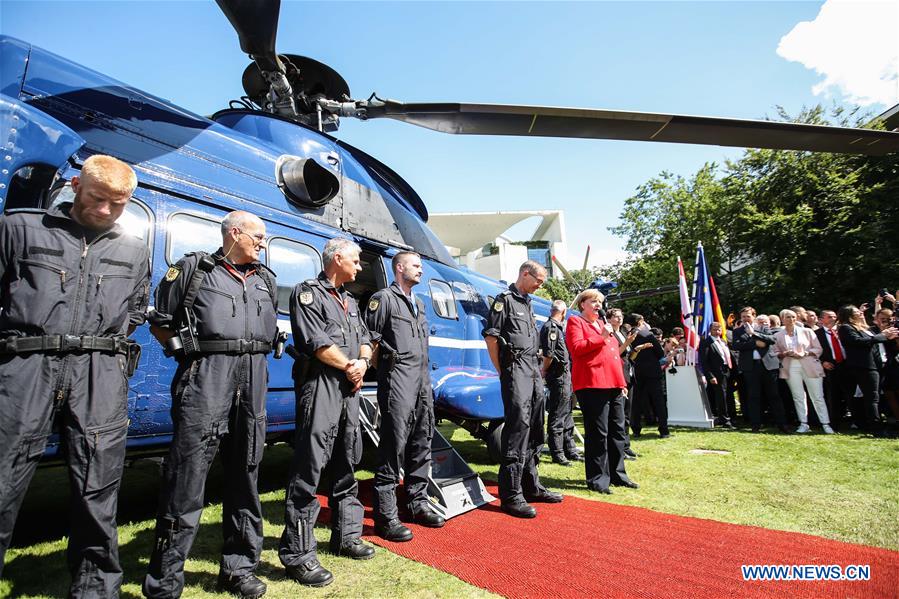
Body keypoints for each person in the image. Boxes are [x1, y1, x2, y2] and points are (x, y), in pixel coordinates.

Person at [0, 155, 149, 596]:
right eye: (97, 198)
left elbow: (134, 310)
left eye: (117, 204)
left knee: (97, 489)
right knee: (2, 481)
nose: (104, 210)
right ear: (75, 185)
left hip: (99, 373)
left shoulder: (134, 249)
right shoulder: (20, 228)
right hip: (27, 366)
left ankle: (95, 588)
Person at [143, 211, 278, 599]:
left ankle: (238, 570)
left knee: (246, 475)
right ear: (235, 233)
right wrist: (187, 355)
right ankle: (165, 581)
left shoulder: (266, 279)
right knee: (185, 479)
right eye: (258, 236)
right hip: (206, 379)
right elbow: (161, 321)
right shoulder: (195, 270)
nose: (263, 242)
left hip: (252, 379)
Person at [279, 238, 375, 587]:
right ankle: (298, 553)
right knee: (310, 466)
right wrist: (351, 366)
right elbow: (316, 343)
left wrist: (363, 362)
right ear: (337, 258)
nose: (360, 266)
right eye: (356, 260)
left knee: (347, 459)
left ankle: (346, 536)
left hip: (349, 388)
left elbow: (366, 339)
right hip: (321, 385)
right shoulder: (308, 294)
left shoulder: (350, 300)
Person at [364, 251, 445, 542]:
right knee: (393, 444)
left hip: (422, 381)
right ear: (399, 268)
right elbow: (370, 341)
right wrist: (387, 373)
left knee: (422, 440)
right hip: (398, 379)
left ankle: (416, 503)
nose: (420, 270)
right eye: (415, 265)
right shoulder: (383, 299)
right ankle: (386, 516)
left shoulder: (418, 303)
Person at [483, 261, 562, 519]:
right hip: (515, 368)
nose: (540, 285)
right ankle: (511, 495)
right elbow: (491, 337)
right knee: (517, 429)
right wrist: (502, 370)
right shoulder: (504, 300)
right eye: (538, 280)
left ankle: (531, 486)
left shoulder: (528, 303)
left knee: (536, 427)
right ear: (525, 274)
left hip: (533, 368)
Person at [566, 290, 636, 494]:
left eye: (600, 302)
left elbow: (614, 355)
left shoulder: (602, 324)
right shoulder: (576, 322)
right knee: (598, 433)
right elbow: (577, 348)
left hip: (614, 384)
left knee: (618, 431)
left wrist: (621, 382)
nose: (598, 305)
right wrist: (602, 336)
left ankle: (617, 475)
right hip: (592, 383)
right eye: (593, 301)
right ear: (582, 304)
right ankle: (598, 479)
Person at [838, 305, 898, 437]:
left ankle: (880, 424)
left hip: (877, 365)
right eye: (857, 312)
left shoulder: (863, 328)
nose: (860, 313)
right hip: (864, 366)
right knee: (872, 397)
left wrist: (887, 336)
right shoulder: (845, 328)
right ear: (849, 315)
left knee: (877, 397)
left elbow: (874, 340)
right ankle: (876, 428)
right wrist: (883, 335)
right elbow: (859, 342)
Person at [774, 309, 833, 434]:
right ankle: (803, 423)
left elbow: (818, 349)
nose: (791, 319)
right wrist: (785, 353)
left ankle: (825, 423)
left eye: (793, 317)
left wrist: (805, 353)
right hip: (790, 366)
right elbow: (775, 352)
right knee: (798, 396)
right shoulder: (778, 335)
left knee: (817, 396)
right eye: (788, 317)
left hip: (809, 364)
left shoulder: (807, 331)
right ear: (782, 319)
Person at [732, 307, 788, 433]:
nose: (746, 319)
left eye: (748, 316)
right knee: (753, 396)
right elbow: (736, 345)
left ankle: (782, 424)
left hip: (768, 366)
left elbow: (772, 340)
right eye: (743, 317)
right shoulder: (737, 331)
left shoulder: (763, 328)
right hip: (750, 367)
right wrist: (756, 343)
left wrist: (754, 334)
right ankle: (755, 424)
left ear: (754, 316)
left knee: (774, 395)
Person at [540, 299, 581, 466]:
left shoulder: (556, 327)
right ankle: (557, 453)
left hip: (565, 375)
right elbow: (549, 354)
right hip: (558, 375)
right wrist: (544, 370)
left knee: (567, 413)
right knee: (557, 415)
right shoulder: (551, 327)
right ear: (563, 313)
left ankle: (570, 449)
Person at [629, 314, 669, 438]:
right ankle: (663, 430)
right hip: (652, 371)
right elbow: (660, 353)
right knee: (658, 401)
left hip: (637, 371)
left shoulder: (628, 335)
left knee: (637, 401)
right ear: (640, 322)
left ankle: (636, 429)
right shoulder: (648, 335)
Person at [816, 309, 854, 431]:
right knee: (833, 395)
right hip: (831, 366)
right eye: (829, 316)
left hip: (847, 365)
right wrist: (822, 361)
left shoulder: (844, 330)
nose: (833, 318)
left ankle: (857, 420)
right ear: (821, 319)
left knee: (851, 394)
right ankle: (835, 423)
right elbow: (814, 350)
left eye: (834, 316)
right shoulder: (816, 334)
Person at [608, 308, 638, 459]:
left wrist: (636, 349)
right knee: (619, 414)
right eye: (615, 317)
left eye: (620, 316)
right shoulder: (610, 334)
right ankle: (620, 448)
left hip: (628, 374)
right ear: (609, 319)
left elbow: (629, 356)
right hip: (617, 375)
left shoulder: (623, 333)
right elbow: (615, 354)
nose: (619, 319)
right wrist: (627, 343)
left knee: (627, 412)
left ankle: (626, 445)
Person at [699, 321, 735, 428]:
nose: (717, 331)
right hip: (716, 373)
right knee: (721, 396)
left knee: (729, 395)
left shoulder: (723, 341)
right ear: (710, 330)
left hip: (727, 370)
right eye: (714, 329)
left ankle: (732, 417)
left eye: (719, 329)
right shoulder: (706, 342)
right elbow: (704, 361)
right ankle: (724, 420)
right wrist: (710, 376)